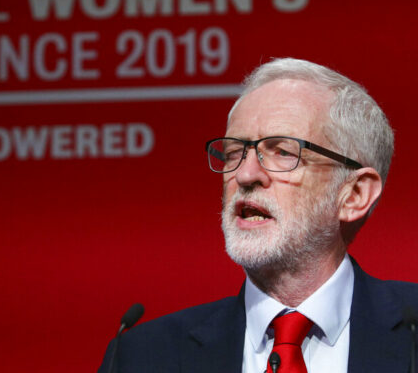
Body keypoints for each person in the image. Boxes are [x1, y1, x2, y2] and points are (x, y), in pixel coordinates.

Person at [99, 58, 418, 373]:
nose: (245, 174)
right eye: (234, 152)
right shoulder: (143, 357)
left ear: (355, 194)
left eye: (283, 152)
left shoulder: (411, 334)